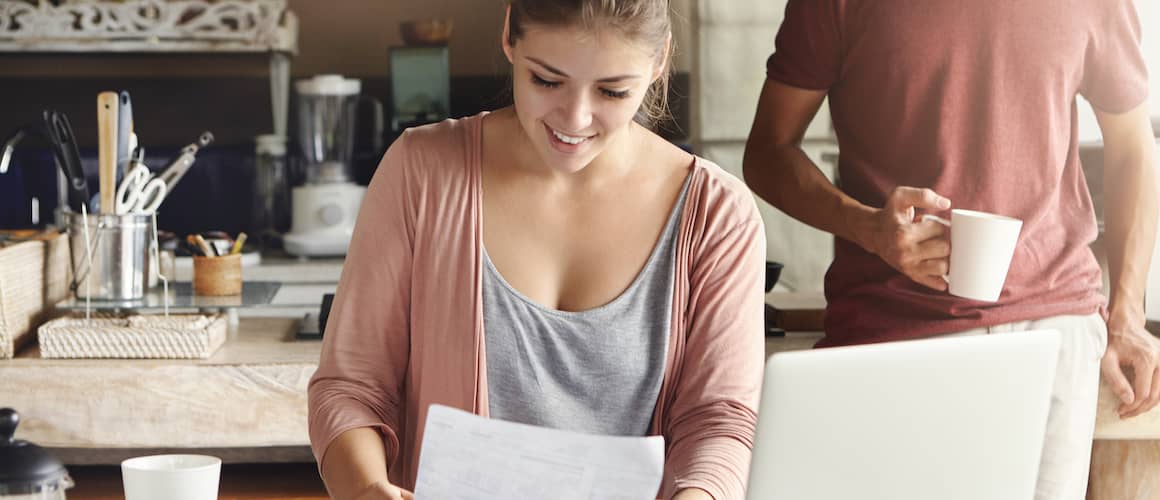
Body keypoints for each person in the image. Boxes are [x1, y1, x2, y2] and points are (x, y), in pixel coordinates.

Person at [308, 1, 766, 499]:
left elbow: (718, 420)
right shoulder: (421, 174)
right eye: (547, 81)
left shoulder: (718, 215)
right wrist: (366, 488)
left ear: (660, 62)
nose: (575, 118)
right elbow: (350, 390)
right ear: (510, 35)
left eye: (613, 90)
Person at [743, 1, 1159, 499]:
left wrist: (1128, 315)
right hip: (890, 334)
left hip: (1054, 326)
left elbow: (1134, 147)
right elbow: (768, 150)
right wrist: (868, 226)